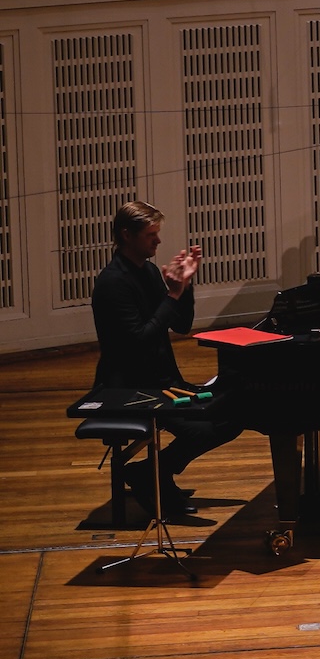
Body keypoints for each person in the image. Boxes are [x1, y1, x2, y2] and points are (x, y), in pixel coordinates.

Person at [89, 198, 237, 507]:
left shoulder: (148, 271)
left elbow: (181, 324)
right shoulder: (112, 283)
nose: (158, 240)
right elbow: (140, 340)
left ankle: (150, 473)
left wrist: (185, 285)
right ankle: (151, 475)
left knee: (233, 416)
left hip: (160, 379)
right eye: (150, 235)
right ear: (127, 235)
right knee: (201, 432)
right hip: (130, 388)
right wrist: (172, 294)